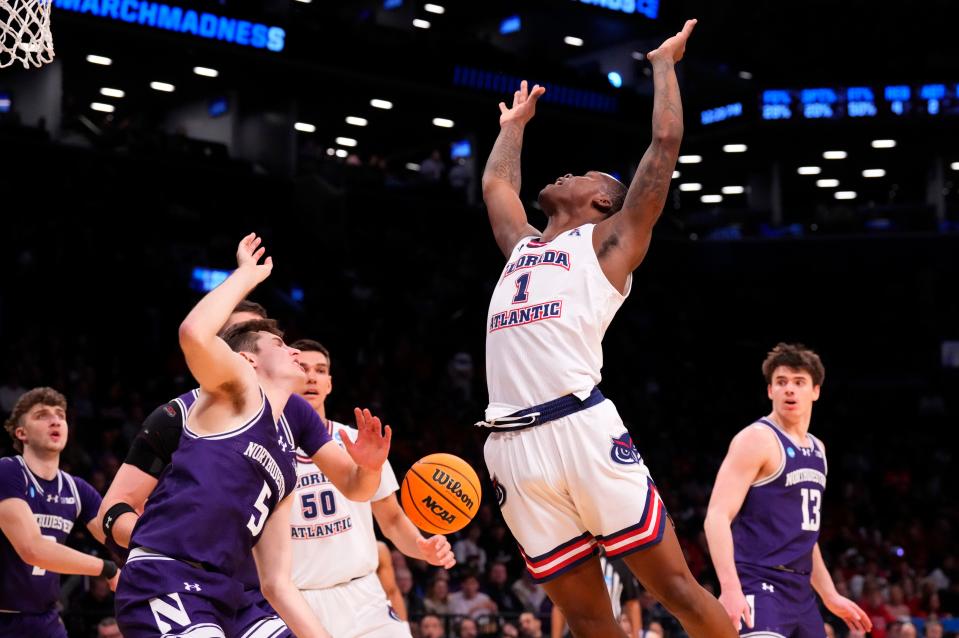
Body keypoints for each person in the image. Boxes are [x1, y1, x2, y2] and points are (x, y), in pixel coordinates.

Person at [478, 19, 735, 638]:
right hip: (509, 443)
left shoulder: (608, 244)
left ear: (603, 203)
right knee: (590, 619)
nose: (566, 174)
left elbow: (665, 144)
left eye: (584, 175)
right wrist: (511, 131)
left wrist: (664, 68)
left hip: (578, 427)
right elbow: (495, 183)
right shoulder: (524, 248)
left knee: (673, 588)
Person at [114, 233, 390, 637]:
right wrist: (246, 275)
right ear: (245, 360)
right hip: (168, 577)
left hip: (232, 593)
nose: (295, 350)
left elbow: (278, 583)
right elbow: (194, 333)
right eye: (280, 343)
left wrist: (369, 467)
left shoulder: (284, 460)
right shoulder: (233, 393)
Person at [704, 343, 872, 638]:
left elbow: (806, 537)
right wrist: (730, 588)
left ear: (815, 391)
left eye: (799, 382)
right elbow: (716, 516)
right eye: (781, 382)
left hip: (802, 592)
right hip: (758, 582)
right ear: (770, 391)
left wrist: (830, 595)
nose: (789, 390)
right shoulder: (756, 439)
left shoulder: (818, 450)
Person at [289, 338, 455, 637]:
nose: (311, 376)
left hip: (363, 595)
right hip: (297, 601)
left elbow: (391, 520)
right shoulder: (264, 448)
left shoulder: (359, 442)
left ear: (329, 384)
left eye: (321, 370)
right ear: (285, 377)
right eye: (302, 368)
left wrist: (422, 547)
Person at [0, 387, 119, 638]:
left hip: (45, 620)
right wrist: (107, 568)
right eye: (41, 415)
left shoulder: (76, 489)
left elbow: (117, 537)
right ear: (21, 433)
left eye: (60, 415)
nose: (55, 420)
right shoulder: (8, 472)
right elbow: (32, 549)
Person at [551, 555, 642, 638]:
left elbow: (632, 603)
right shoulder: (573, 561)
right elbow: (559, 606)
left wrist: (636, 635)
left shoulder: (619, 563)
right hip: (578, 632)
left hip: (611, 631)